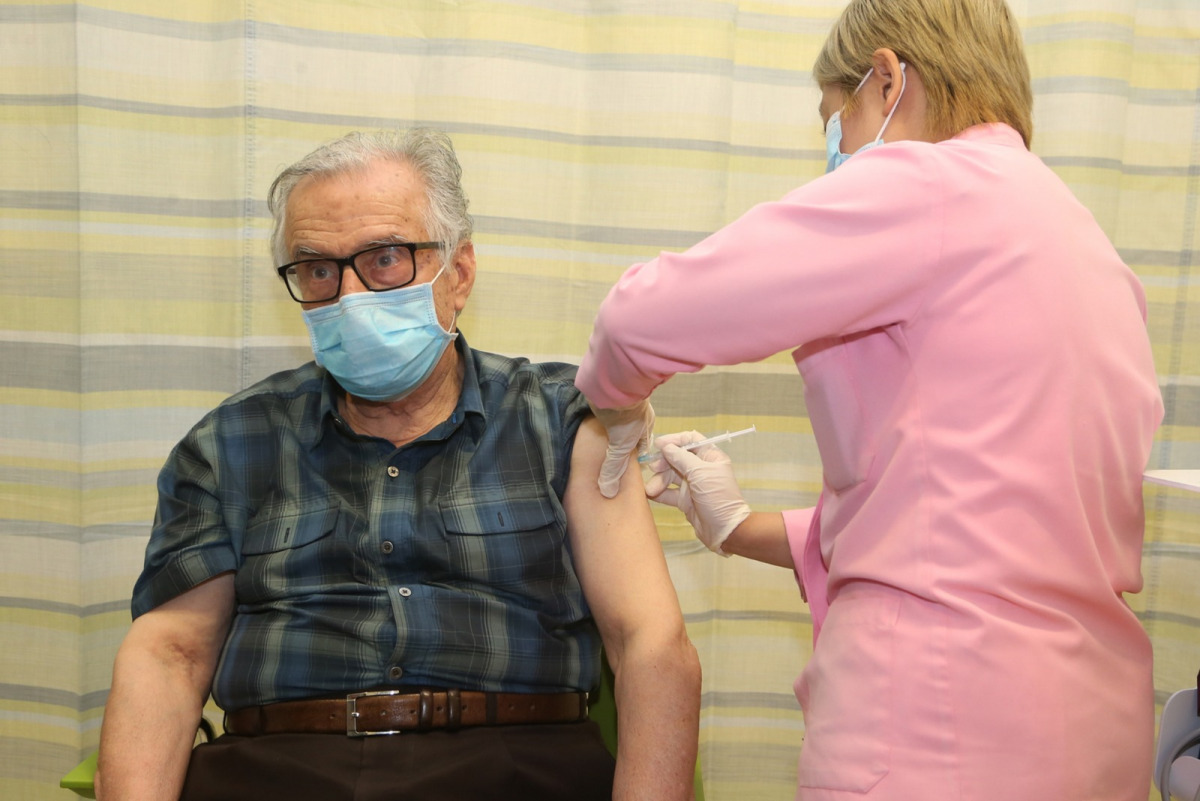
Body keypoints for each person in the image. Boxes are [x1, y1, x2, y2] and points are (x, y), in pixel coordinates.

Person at [574, 1, 1163, 799]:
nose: (838, 152)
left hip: (940, 727)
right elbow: (985, 525)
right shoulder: (1088, 248)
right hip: (1091, 733)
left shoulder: (928, 185)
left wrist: (617, 404)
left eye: (835, 122)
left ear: (887, 80)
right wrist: (741, 528)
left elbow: (639, 320)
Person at [95, 127, 700, 801]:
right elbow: (170, 654)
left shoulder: (564, 420)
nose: (351, 294)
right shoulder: (229, 441)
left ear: (459, 273)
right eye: (319, 268)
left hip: (512, 767)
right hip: (277, 770)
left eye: (386, 258)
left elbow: (648, 640)